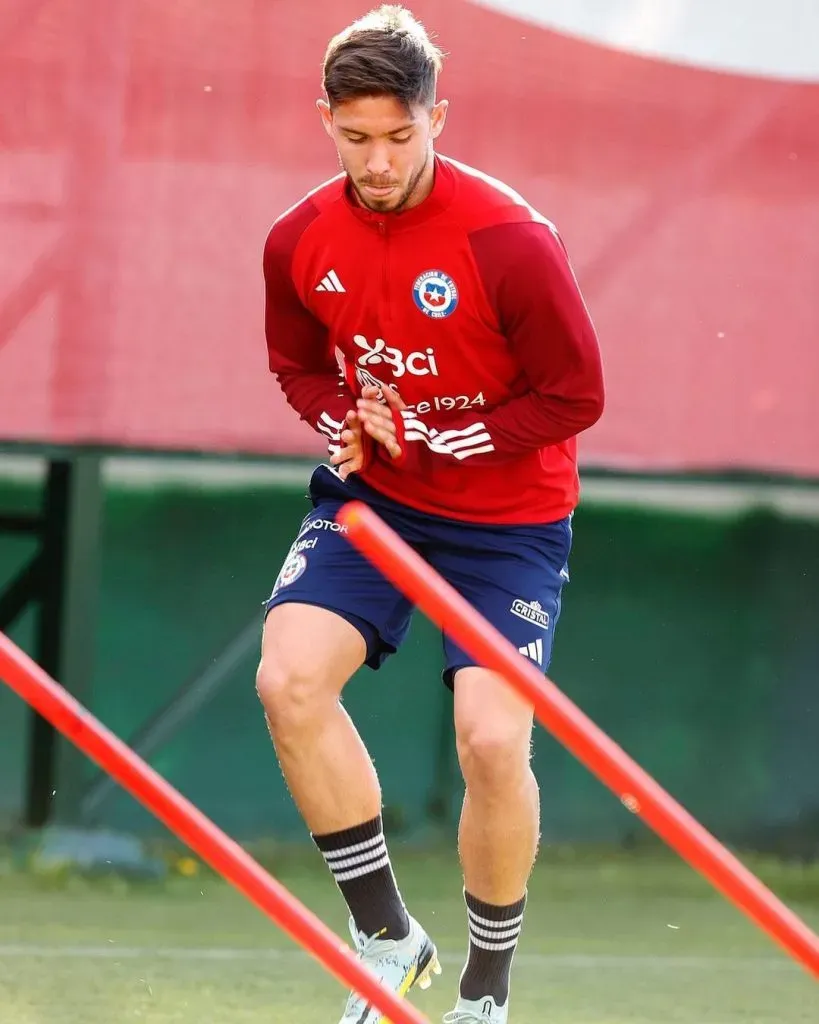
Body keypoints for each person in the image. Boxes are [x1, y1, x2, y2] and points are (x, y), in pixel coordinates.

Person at [257, 5, 604, 1022]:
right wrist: (341, 427)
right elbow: (299, 366)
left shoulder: (511, 238)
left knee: (493, 743)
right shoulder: (297, 237)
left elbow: (575, 394)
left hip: (508, 526)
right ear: (324, 119)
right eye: (356, 137)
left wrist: (453, 438)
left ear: (437, 117)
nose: (377, 162)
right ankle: (387, 939)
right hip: (375, 507)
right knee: (285, 683)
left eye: (399, 137)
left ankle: (486, 992)